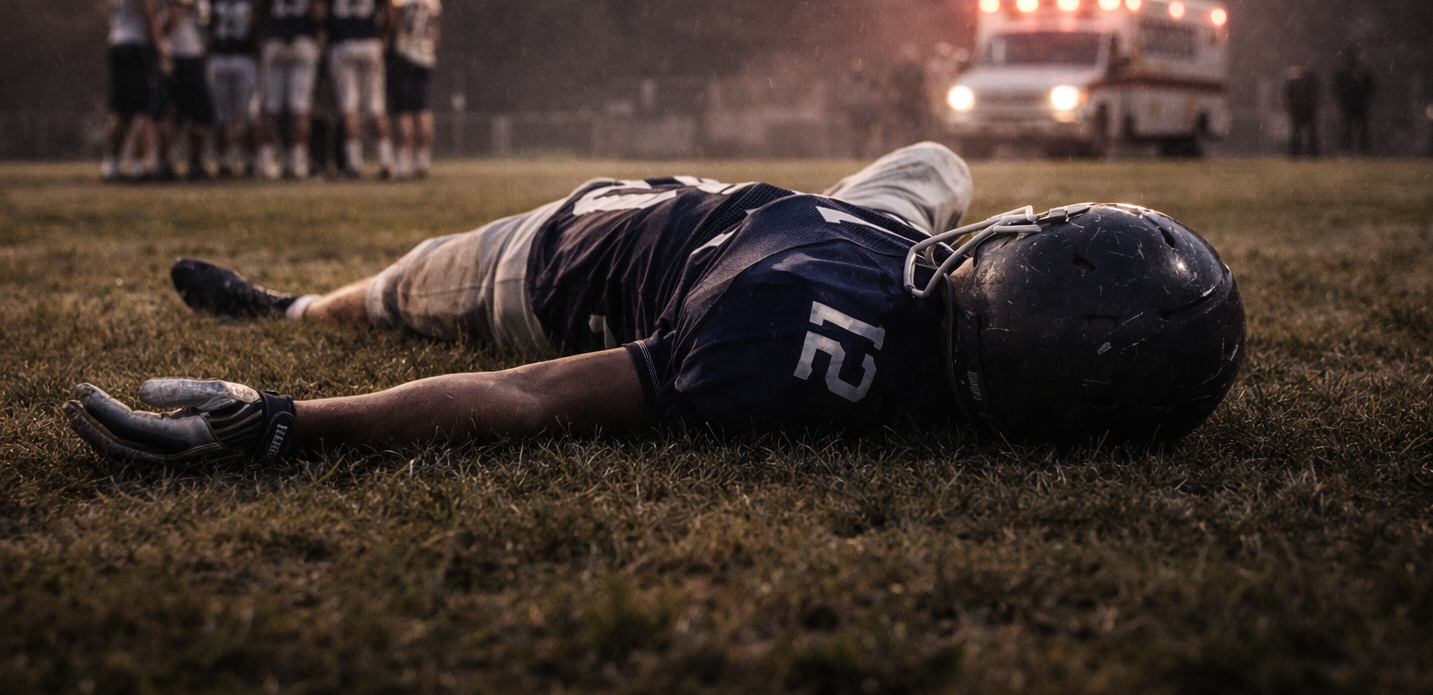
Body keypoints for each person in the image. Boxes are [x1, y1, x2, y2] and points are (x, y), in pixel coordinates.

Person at [64, 142, 1248, 464]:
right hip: (815, 220)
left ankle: (290, 312)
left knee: (398, 288)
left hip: (572, 256)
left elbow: (529, 392)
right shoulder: (940, 331)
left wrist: (291, 422)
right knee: (934, 160)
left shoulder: (781, 340)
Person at [310, 0, 392, 179]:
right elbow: (389, 11)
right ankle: (387, 163)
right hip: (370, 42)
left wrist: (322, 36)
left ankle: (353, 165)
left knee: (348, 107)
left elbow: (319, 13)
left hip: (342, 44)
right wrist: (382, 38)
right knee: (376, 107)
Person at [255, 0, 322, 180]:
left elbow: (257, 14)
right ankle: (297, 162)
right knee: (300, 107)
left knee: (270, 106)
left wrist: (264, 36)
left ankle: (266, 161)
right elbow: (317, 12)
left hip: (274, 42)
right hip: (302, 42)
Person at [100, 0, 165, 182]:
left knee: (119, 109)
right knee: (145, 109)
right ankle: (139, 166)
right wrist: (158, 46)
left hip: (117, 42)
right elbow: (146, 10)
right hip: (138, 44)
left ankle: (111, 166)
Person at [157, 0, 216, 180]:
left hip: (183, 52)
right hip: (184, 55)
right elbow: (175, 12)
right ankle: (191, 165)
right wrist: (161, 43)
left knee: (174, 113)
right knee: (192, 113)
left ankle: (169, 164)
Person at [382, 0, 442, 179]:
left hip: (403, 53)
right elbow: (434, 31)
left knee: (402, 113)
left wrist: (387, 41)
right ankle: (422, 162)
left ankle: (403, 164)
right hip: (425, 56)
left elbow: (392, 21)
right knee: (422, 112)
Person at [204, 0, 261, 177]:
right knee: (220, 115)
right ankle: (222, 159)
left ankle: (251, 159)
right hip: (219, 57)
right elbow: (208, 26)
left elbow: (258, 26)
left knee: (248, 114)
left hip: (245, 57)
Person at [1331, 43, 1376, 155]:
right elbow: (1335, 87)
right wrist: (1340, 98)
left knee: (1362, 128)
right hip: (1347, 103)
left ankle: (1363, 150)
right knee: (1347, 128)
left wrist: (1367, 97)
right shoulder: (1342, 70)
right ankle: (1347, 150)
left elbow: (1371, 86)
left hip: (1360, 103)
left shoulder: (1362, 70)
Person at [1283, 64, 1320, 158]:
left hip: (1303, 109)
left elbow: (1288, 96)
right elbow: (1288, 96)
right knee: (1300, 132)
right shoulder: (1297, 81)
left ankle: (1307, 152)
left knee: (1304, 132)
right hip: (1301, 110)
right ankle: (1302, 152)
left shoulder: (1299, 81)